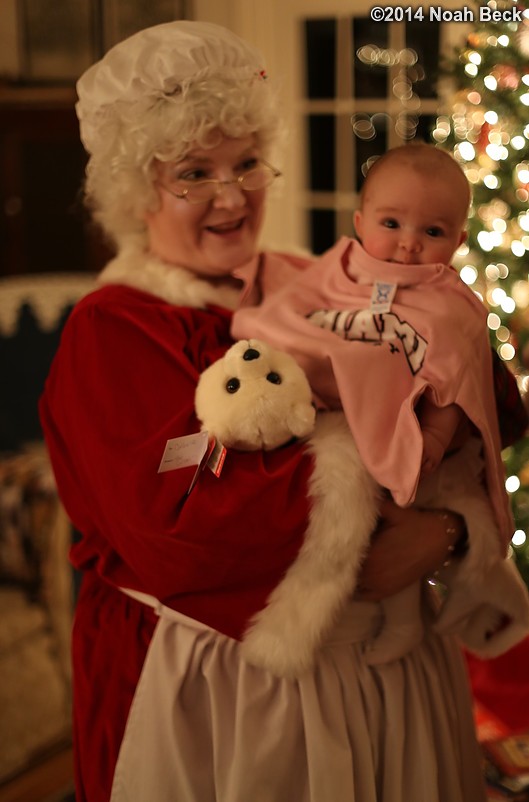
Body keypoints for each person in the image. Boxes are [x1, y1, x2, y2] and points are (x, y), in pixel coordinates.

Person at [39, 20, 526, 802]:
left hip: (395, 681)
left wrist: (447, 532)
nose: (232, 196)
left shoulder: (318, 280)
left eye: (244, 165)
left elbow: (479, 402)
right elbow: (186, 533)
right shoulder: (116, 331)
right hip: (226, 702)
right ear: (139, 192)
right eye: (193, 173)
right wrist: (391, 499)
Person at [232, 142, 528, 663]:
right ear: (360, 220)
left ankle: (407, 621)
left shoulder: (450, 304)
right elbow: (291, 312)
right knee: (351, 508)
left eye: (432, 232)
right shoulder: (338, 270)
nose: (409, 245)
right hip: (339, 416)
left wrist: (433, 438)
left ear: (458, 240)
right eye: (392, 224)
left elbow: (458, 382)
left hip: (411, 439)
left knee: (400, 518)